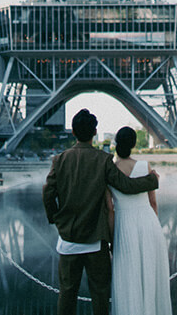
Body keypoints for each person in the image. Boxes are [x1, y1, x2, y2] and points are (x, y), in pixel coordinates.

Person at [43, 109, 158, 315]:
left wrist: (56, 218)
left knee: (67, 293)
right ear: (95, 132)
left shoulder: (59, 160)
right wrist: (152, 180)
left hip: (68, 239)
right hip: (96, 240)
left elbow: (48, 193)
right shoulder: (103, 159)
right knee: (100, 295)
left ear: (73, 133)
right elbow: (124, 185)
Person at [107, 126, 172, 315]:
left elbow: (109, 208)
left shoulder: (110, 172)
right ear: (134, 144)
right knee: (151, 276)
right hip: (148, 223)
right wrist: (154, 228)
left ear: (116, 144)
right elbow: (153, 203)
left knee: (129, 278)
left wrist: (112, 239)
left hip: (124, 226)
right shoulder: (146, 167)